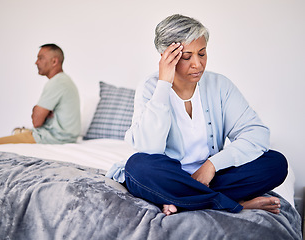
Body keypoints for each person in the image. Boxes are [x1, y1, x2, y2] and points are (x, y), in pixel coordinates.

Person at [106, 14, 288, 216]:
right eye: (187, 57)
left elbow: (256, 134)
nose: (197, 64)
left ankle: (179, 200)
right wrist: (164, 84)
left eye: (202, 54)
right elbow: (150, 148)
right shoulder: (151, 87)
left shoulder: (220, 86)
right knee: (138, 167)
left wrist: (211, 165)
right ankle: (233, 204)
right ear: (167, 56)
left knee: (275, 163)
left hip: (212, 177)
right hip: (168, 177)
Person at [0, 44, 81, 145]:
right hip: (63, 138)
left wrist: (38, 111)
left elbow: (36, 122)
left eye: (40, 58)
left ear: (54, 61)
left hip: (51, 138)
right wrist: (43, 113)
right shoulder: (65, 80)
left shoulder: (57, 82)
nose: (36, 62)